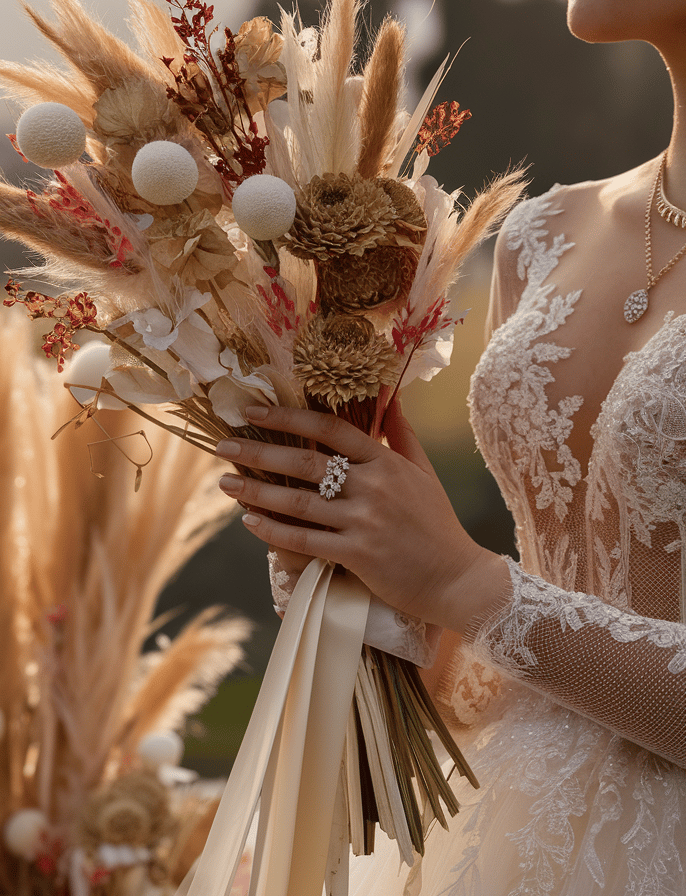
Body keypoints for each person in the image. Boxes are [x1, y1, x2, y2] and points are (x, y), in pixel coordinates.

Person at [214, 0, 686, 892]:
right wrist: (380, 592)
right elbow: (525, 664)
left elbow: (493, 594)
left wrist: (463, 582)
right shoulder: (546, 235)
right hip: (503, 845)